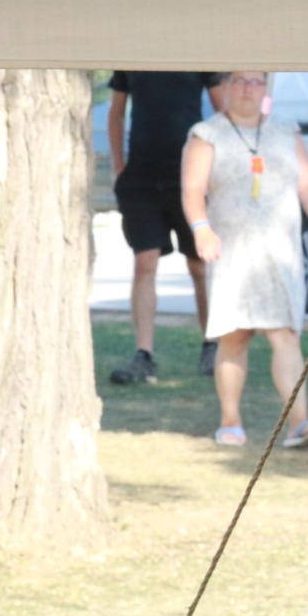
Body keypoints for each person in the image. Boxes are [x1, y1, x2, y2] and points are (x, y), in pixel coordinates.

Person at [183, 70, 308, 448]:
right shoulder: (206, 134)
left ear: (266, 88)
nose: (248, 88)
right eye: (240, 81)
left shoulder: (287, 131)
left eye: (256, 81)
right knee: (235, 336)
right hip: (232, 250)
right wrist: (201, 228)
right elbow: (193, 190)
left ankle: (299, 424)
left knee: (285, 333)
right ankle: (230, 421)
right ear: (226, 87)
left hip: (280, 253)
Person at [107, 70, 224, 383]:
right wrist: (119, 168)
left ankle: (212, 344)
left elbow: (222, 113)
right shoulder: (132, 56)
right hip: (142, 176)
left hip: (189, 176)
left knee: (199, 265)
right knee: (145, 262)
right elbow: (116, 112)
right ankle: (144, 355)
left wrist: (214, 171)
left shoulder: (199, 53)